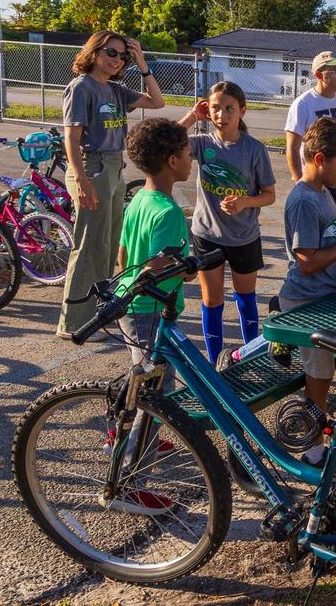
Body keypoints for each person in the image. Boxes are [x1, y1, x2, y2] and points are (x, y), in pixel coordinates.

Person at [56, 31, 165, 339]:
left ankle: (96, 315)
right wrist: (81, 179)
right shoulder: (81, 87)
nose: (117, 60)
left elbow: (157, 101)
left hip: (114, 166)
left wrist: (143, 62)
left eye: (122, 56)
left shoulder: (116, 89)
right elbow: (72, 138)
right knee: (89, 245)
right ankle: (74, 322)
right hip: (92, 167)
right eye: (111, 53)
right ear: (94, 51)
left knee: (108, 245)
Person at [111, 117, 194, 515]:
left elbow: (125, 256)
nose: (192, 160)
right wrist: (188, 268)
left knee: (139, 378)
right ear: (173, 160)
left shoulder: (139, 200)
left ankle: (123, 428)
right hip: (150, 312)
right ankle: (129, 481)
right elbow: (157, 268)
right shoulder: (169, 213)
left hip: (129, 306)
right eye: (189, 153)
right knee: (157, 393)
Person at [278, 118, 336, 465]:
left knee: (329, 369)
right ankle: (312, 452)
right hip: (306, 301)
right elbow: (307, 261)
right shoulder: (304, 200)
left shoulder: (322, 193)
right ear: (320, 159)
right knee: (319, 376)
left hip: (324, 298)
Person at [178, 82, 276, 365]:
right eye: (215, 108)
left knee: (246, 298)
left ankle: (251, 356)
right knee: (212, 301)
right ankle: (214, 363)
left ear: (242, 112)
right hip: (207, 235)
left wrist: (246, 201)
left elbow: (269, 195)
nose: (221, 114)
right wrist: (191, 116)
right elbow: (167, 140)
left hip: (244, 237)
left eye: (229, 108)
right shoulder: (202, 143)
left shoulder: (254, 149)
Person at [284, 52, 336, 214]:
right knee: (316, 226)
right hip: (315, 179)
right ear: (319, 74)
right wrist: (300, 183)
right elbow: (292, 148)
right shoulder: (303, 104)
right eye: (334, 71)